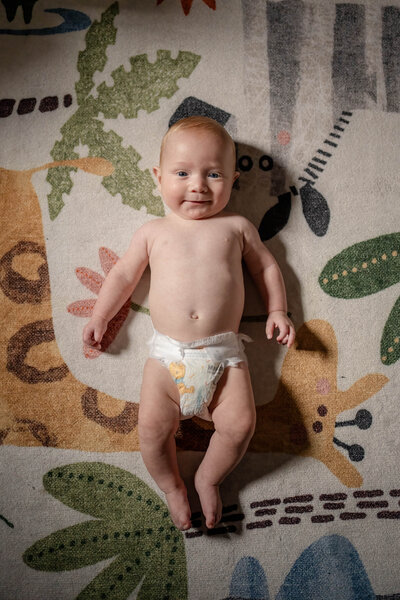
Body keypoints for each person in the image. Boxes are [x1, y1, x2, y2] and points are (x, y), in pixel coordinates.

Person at [83, 116, 295, 531]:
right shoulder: (153, 231)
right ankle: (172, 487)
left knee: (240, 425)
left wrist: (277, 310)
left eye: (213, 174)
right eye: (182, 174)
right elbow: (124, 276)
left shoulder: (237, 228)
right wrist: (100, 314)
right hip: (168, 354)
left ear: (233, 180)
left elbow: (267, 268)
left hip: (223, 354)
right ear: (159, 178)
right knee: (150, 430)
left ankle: (208, 477)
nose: (198, 185)